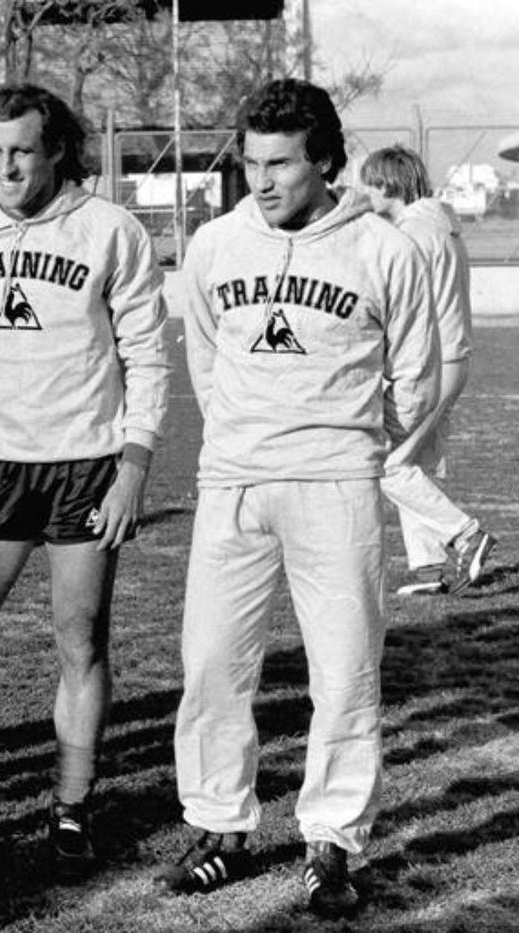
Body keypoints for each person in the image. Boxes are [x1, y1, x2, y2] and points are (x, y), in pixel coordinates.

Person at [156, 79, 438, 919]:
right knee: (212, 663)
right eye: (250, 163)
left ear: (324, 161)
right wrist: (246, 434)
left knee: (345, 670)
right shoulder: (213, 244)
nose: (262, 181)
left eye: (280, 163)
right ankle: (217, 828)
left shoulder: (384, 248)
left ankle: (331, 842)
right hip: (234, 480)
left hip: (337, 484)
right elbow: (205, 357)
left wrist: (348, 439)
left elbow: (414, 380)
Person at [0, 83, 170, 882]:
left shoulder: (110, 230)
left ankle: (71, 803)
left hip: (84, 467)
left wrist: (134, 466)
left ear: (57, 147)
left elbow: (148, 356)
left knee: (78, 642)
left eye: (21, 150)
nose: (6, 167)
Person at [359, 145, 496, 595]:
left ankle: (465, 534)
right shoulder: (443, 222)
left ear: (388, 185)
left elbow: (397, 301)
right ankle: (429, 569)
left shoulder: (413, 232)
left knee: (384, 463)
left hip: (431, 363)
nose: (363, 191)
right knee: (411, 460)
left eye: (369, 182)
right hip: (454, 359)